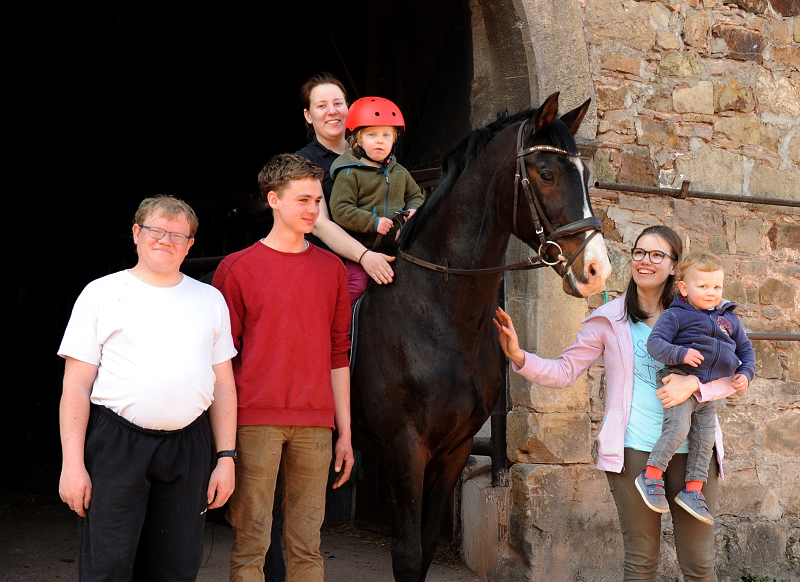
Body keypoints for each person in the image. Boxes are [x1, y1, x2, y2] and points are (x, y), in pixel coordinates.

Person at [493, 225, 745, 582]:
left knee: (700, 565)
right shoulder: (609, 319)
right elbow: (565, 371)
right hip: (635, 453)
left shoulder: (707, 314)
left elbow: (734, 375)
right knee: (641, 564)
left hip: (695, 452)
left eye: (657, 255)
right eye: (639, 253)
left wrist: (694, 385)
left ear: (675, 266)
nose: (645, 261)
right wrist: (520, 356)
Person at [57, 195, 238, 582]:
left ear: (191, 244)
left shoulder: (210, 299)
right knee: (109, 566)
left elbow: (224, 386)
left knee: (176, 567)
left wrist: (226, 457)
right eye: (156, 230)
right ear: (137, 233)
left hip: (189, 446)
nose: (165, 240)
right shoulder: (101, 293)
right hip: (117, 444)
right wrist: (72, 465)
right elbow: (75, 385)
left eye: (178, 234)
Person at [213, 153, 354, 582]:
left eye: (317, 200)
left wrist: (344, 430)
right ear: (274, 200)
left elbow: (338, 353)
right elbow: (220, 360)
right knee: (251, 542)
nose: (313, 210)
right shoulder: (236, 268)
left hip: (316, 424)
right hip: (255, 422)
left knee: (307, 546)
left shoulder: (331, 269)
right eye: (303, 200)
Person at [640, 251, 755, 524]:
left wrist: (746, 373)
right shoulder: (676, 315)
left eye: (716, 287)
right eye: (702, 286)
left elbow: (747, 350)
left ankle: (692, 491)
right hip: (678, 376)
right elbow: (655, 344)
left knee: (706, 441)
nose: (711, 293)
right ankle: (651, 476)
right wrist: (680, 353)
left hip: (708, 389)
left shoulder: (728, 319)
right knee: (678, 428)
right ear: (684, 288)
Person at [296, 72, 396, 287]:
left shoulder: (374, 149)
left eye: (338, 103)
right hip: (333, 259)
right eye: (321, 106)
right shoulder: (303, 161)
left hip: (380, 247)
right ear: (308, 115)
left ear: (349, 108)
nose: (332, 111)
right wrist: (365, 257)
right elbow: (319, 224)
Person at [329, 96, 424, 302]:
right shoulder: (349, 173)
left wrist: (415, 210)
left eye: (386, 135)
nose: (380, 140)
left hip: (397, 246)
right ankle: (345, 330)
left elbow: (415, 196)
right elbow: (340, 209)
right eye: (372, 134)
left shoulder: (399, 171)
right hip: (363, 248)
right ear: (357, 139)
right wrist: (373, 223)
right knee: (356, 287)